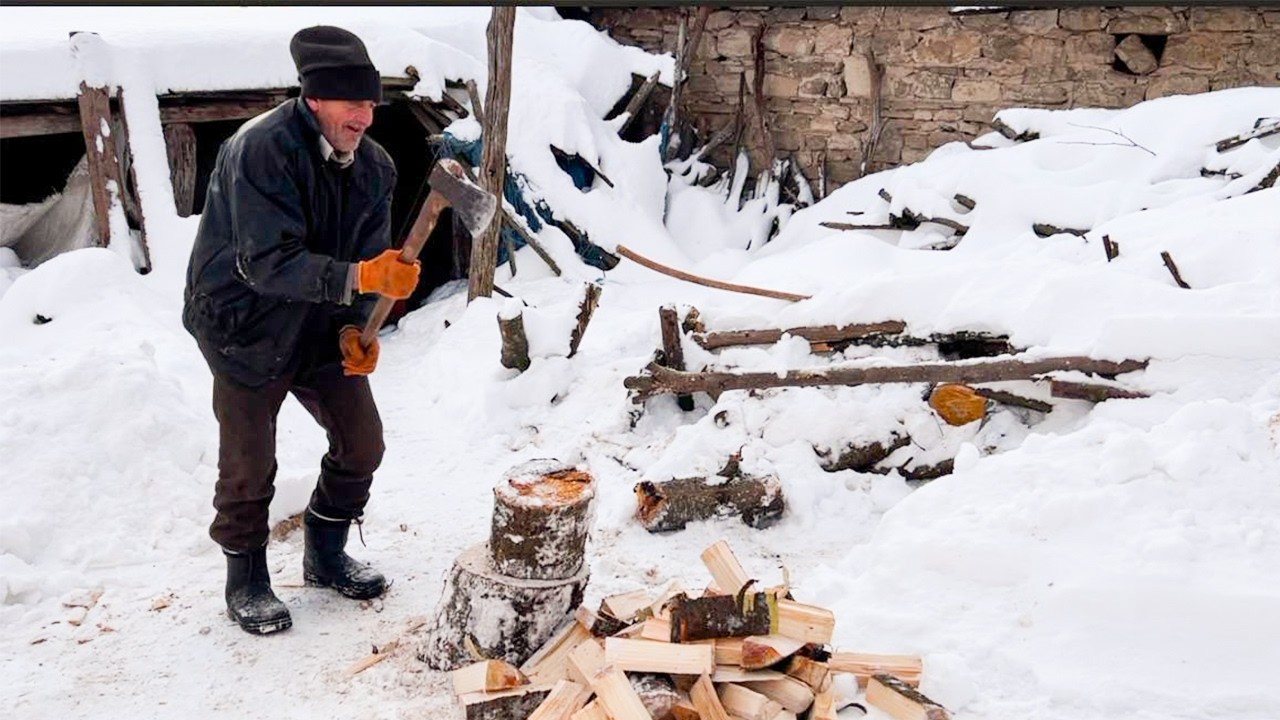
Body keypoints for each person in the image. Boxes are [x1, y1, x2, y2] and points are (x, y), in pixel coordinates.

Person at [182, 25, 420, 635]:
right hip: (243, 325)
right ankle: (246, 578)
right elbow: (264, 263)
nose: (364, 116)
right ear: (314, 97)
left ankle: (326, 550)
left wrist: (355, 327)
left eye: (371, 104)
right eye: (352, 102)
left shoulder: (375, 167)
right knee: (249, 462)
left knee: (362, 442)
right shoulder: (259, 150)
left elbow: (366, 266)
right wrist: (360, 275)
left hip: (317, 323)